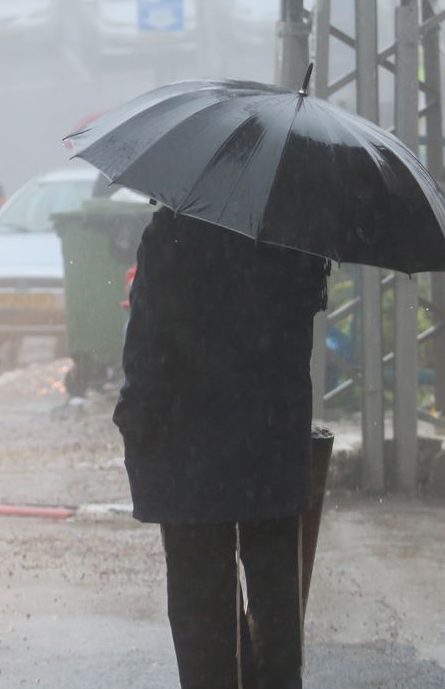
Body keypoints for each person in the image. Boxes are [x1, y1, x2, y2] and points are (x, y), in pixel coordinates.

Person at [115, 206, 328, 689]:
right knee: (276, 602)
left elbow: (148, 348)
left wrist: (134, 418)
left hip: (190, 449)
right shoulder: (297, 234)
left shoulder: (173, 232)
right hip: (272, 445)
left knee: (202, 607)